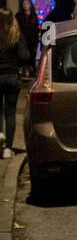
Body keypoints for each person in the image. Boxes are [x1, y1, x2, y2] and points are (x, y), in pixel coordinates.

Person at [0, 10, 33, 158]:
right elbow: (24, 56)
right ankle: (8, 148)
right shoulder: (17, 36)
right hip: (12, 77)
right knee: (10, 111)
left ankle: (0, 133)